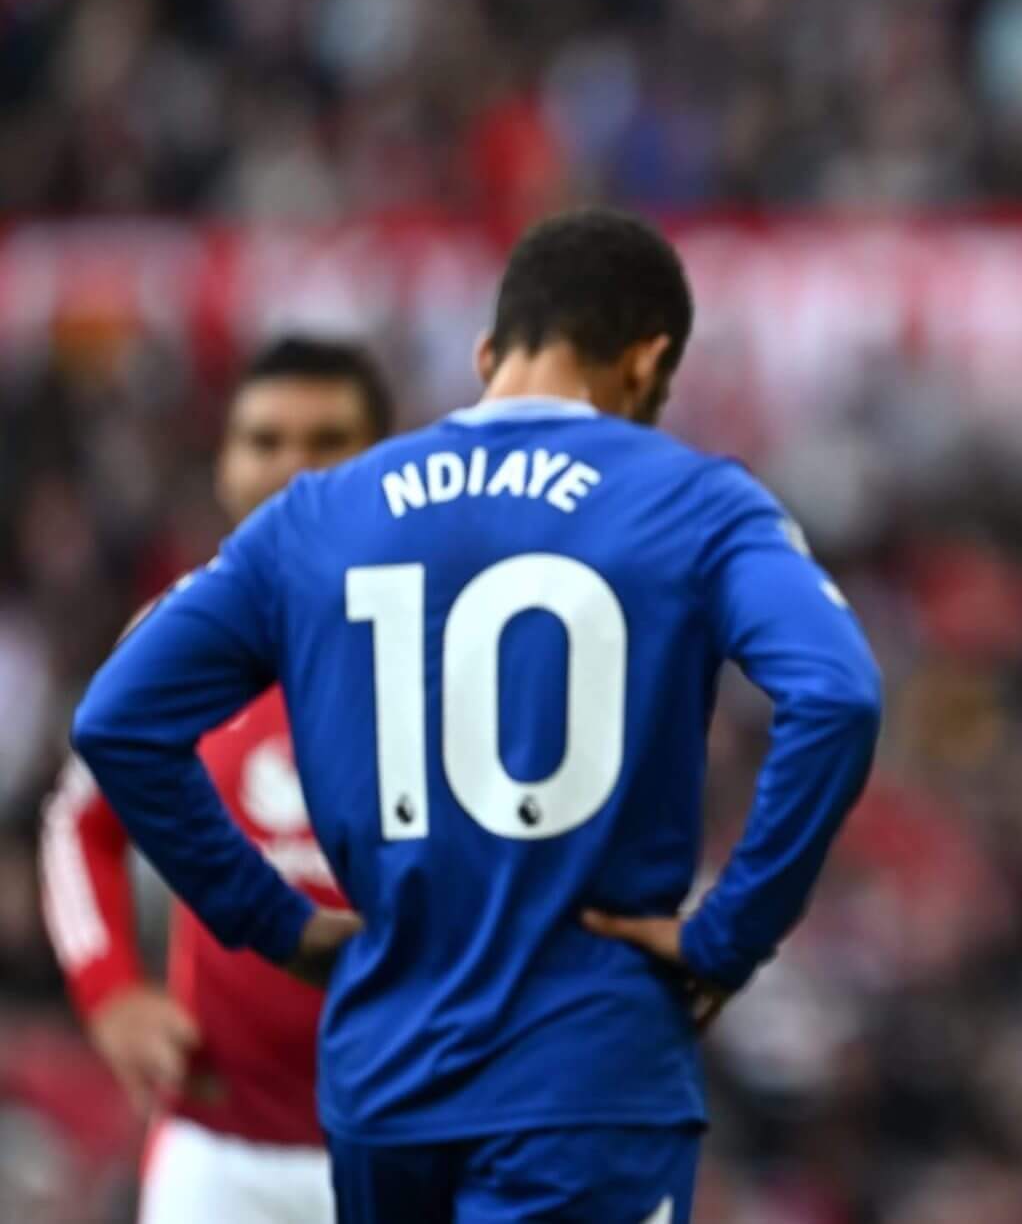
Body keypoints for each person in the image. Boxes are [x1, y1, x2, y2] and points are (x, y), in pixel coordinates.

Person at [68, 207, 884, 1223]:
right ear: (647, 362)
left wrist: (271, 922)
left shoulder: (320, 514)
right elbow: (838, 693)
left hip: (382, 1080)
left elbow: (117, 721)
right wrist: (728, 935)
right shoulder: (698, 503)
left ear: (488, 353)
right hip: (585, 1068)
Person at [41, 337, 391, 1224]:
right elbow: (78, 824)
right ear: (226, 465)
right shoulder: (172, 642)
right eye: (264, 440)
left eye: (328, 439)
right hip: (222, 1150)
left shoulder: (454, 638)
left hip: (419, 1138)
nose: (293, 467)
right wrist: (110, 989)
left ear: (389, 460)